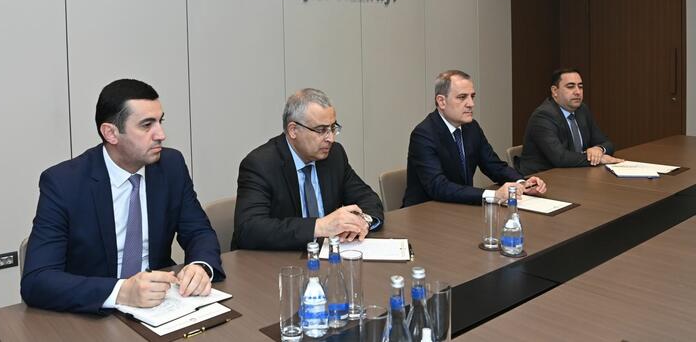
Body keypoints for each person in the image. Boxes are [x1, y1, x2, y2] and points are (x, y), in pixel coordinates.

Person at [21, 79, 224, 314]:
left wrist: (200, 266)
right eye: (147, 125)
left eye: (160, 121)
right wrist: (121, 291)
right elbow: (37, 280)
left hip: (162, 305)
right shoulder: (64, 183)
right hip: (92, 312)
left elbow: (198, 231)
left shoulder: (171, 165)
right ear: (111, 133)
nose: (161, 134)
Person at [232, 88, 384, 250]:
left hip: (328, 254)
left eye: (333, 128)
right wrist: (319, 227)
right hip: (276, 259)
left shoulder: (334, 155)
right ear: (293, 130)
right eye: (321, 130)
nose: (330, 138)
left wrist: (362, 221)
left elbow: (368, 198)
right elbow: (249, 228)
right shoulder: (260, 164)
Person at [403, 70, 547, 206]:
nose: (471, 104)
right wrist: (494, 195)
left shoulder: (471, 128)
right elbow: (438, 186)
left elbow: (494, 166)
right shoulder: (423, 134)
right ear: (441, 101)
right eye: (462, 97)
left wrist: (522, 183)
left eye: (472, 96)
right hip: (426, 212)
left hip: (459, 208)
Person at [518, 68, 621, 176]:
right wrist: (598, 159)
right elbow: (560, 158)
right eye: (570, 87)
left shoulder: (582, 110)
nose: (577, 92)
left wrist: (598, 149)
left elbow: (607, 143)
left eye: (580, 86)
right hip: (541, 177)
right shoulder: (543, 116)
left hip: (573, 174)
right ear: (555, 91)